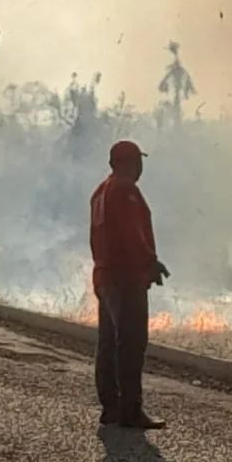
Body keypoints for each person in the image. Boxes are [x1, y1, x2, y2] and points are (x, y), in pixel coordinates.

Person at [90, 139, 170, 429]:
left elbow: (97, 238)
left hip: (106, 277)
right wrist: (149, 261)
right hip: (125, 279)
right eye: (138, 161)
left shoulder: (100, 192)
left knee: (109, 343)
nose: (141, 168)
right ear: (130, 162)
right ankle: (130, 410)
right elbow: (131, 232)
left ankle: (111, 407)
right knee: (131, 343)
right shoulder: (126, 191)